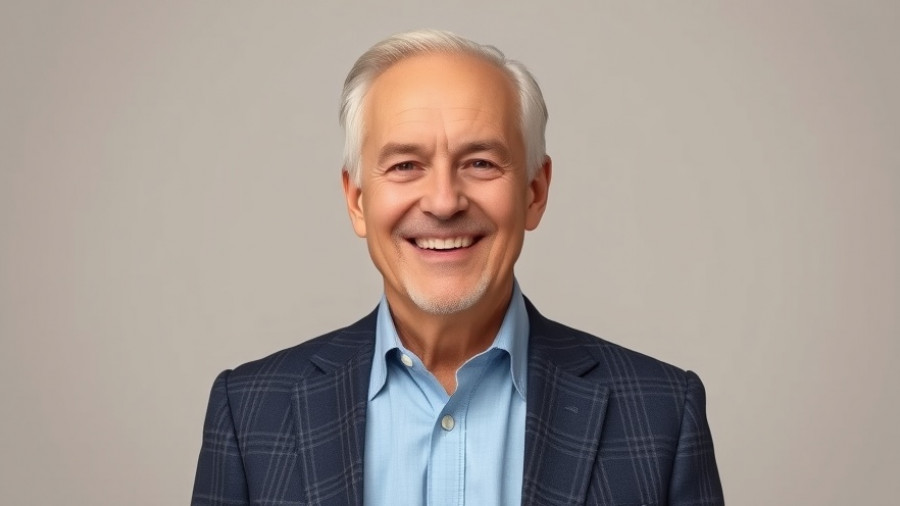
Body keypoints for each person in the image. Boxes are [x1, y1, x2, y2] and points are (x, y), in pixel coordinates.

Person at [191, 29, 723, 506]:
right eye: (405, 165)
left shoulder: (661, 416)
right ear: (357, 200)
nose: (444, 202)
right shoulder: (250, 412)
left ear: (534, 192)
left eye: (480, 163)